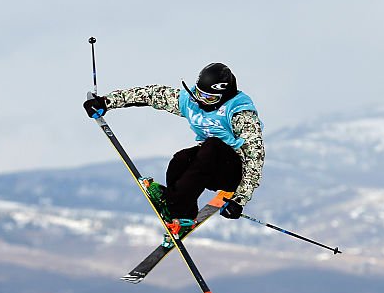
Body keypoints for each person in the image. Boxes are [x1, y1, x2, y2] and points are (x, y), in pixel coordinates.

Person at [83, 63, 265, 239]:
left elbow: (255, 157)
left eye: (209, 98)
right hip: (208, 166)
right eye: (199, 94)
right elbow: (152, 95)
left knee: (212, 146)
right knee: (180, 160)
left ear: (224, 95)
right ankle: (183, 215)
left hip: (233, 172)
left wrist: (240, 198)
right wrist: (106, 102)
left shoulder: (240, 113)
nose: (202, 101)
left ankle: (174, 205)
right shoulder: (191, 101)